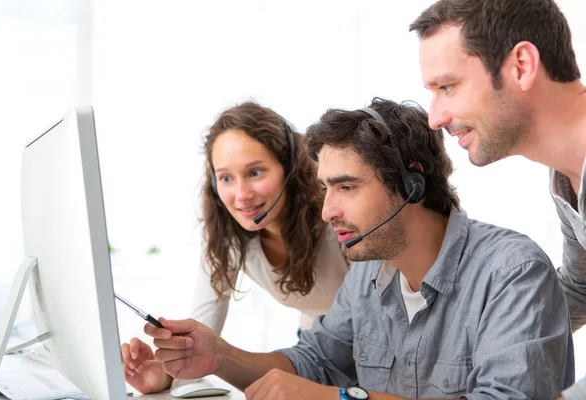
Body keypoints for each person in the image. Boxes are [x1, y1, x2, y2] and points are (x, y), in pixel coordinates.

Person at [133, 99, 573, 399]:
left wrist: (341, 397)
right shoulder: (367, 276)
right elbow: (314, 363)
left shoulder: (512, 272)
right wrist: (217, 357)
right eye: (326, 188)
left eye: (346, 186)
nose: (327, 211)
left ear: (411, 183)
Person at [409, 1, 586, 398]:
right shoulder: (565, 179)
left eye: (448, 87)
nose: (434, 117)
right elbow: (578, 289)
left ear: (521, 65)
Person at [120, 101, 349, 393]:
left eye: (255, 173)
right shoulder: (227, 233)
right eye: (226, 178)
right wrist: (168, 374)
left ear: (290, 168)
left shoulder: (334, 217)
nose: (241, 195)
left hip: (369, 345)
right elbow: (205, 328)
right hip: (318, 349)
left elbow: (375, 315)